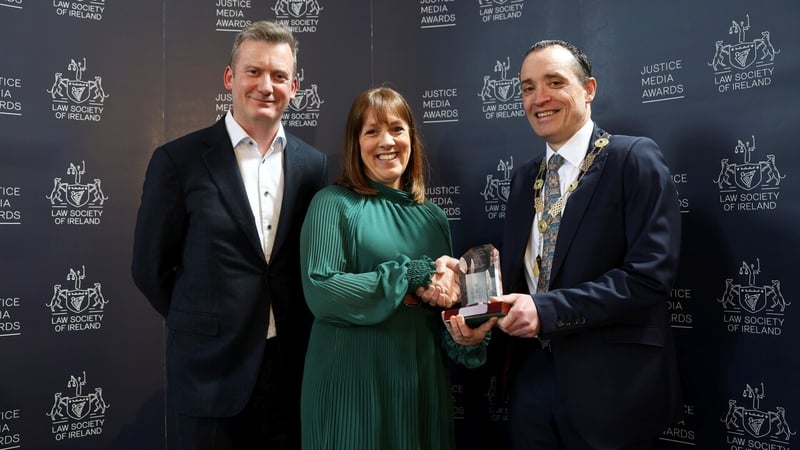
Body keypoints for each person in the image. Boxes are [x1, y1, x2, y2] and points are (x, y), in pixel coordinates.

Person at [131, 21, 328, 450]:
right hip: (209, 374)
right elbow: (150, 268)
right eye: (253, 71)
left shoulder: (314, 166)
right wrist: (205, 322)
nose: (266, 85)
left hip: (292, 372)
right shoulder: (178, 160)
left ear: (294, 86)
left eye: (279, 76)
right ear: (230, 78)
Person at [492, 40, 683, 449]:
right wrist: (479, 317)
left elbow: (650, 277)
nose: (539, 98)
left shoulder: (632, 159)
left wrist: (546, 311)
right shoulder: (525, 177)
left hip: (613, 390)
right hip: (532, 383)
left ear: (589, 89)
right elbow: (521, 281)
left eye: (554, 82)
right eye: (527, 88)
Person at [298, 86, 497, 450]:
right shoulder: (333, 204)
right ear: (355, 143)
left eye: (396, 128)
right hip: (352, 393)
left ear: (411, 138)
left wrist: (466, 336)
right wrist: (412, 274)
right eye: (372, 131)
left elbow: (441, 310)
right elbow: (321, 290)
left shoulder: (433, 217)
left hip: (420, 389)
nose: (386, 141)